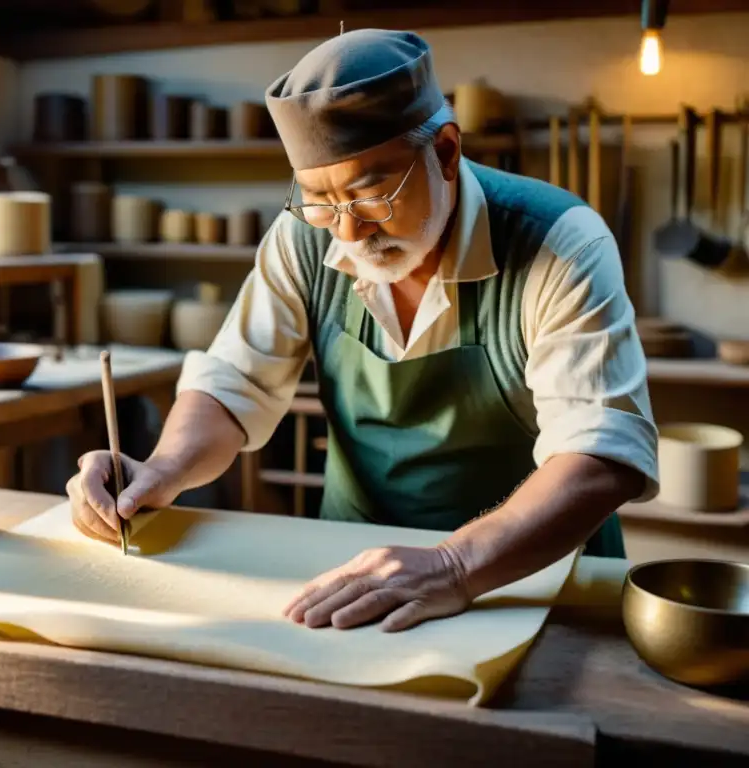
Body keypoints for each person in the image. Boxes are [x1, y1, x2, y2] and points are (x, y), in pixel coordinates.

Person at [66, 29, 659, 634]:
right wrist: (162, 469)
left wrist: (454, 564)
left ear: (447, 152)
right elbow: (235, 382)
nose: (347, 235)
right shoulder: (304, 237)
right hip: (355, 571)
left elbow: (599, 454)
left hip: (525, 576)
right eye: (320, 200)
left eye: (372, 194)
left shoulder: (560, 243)